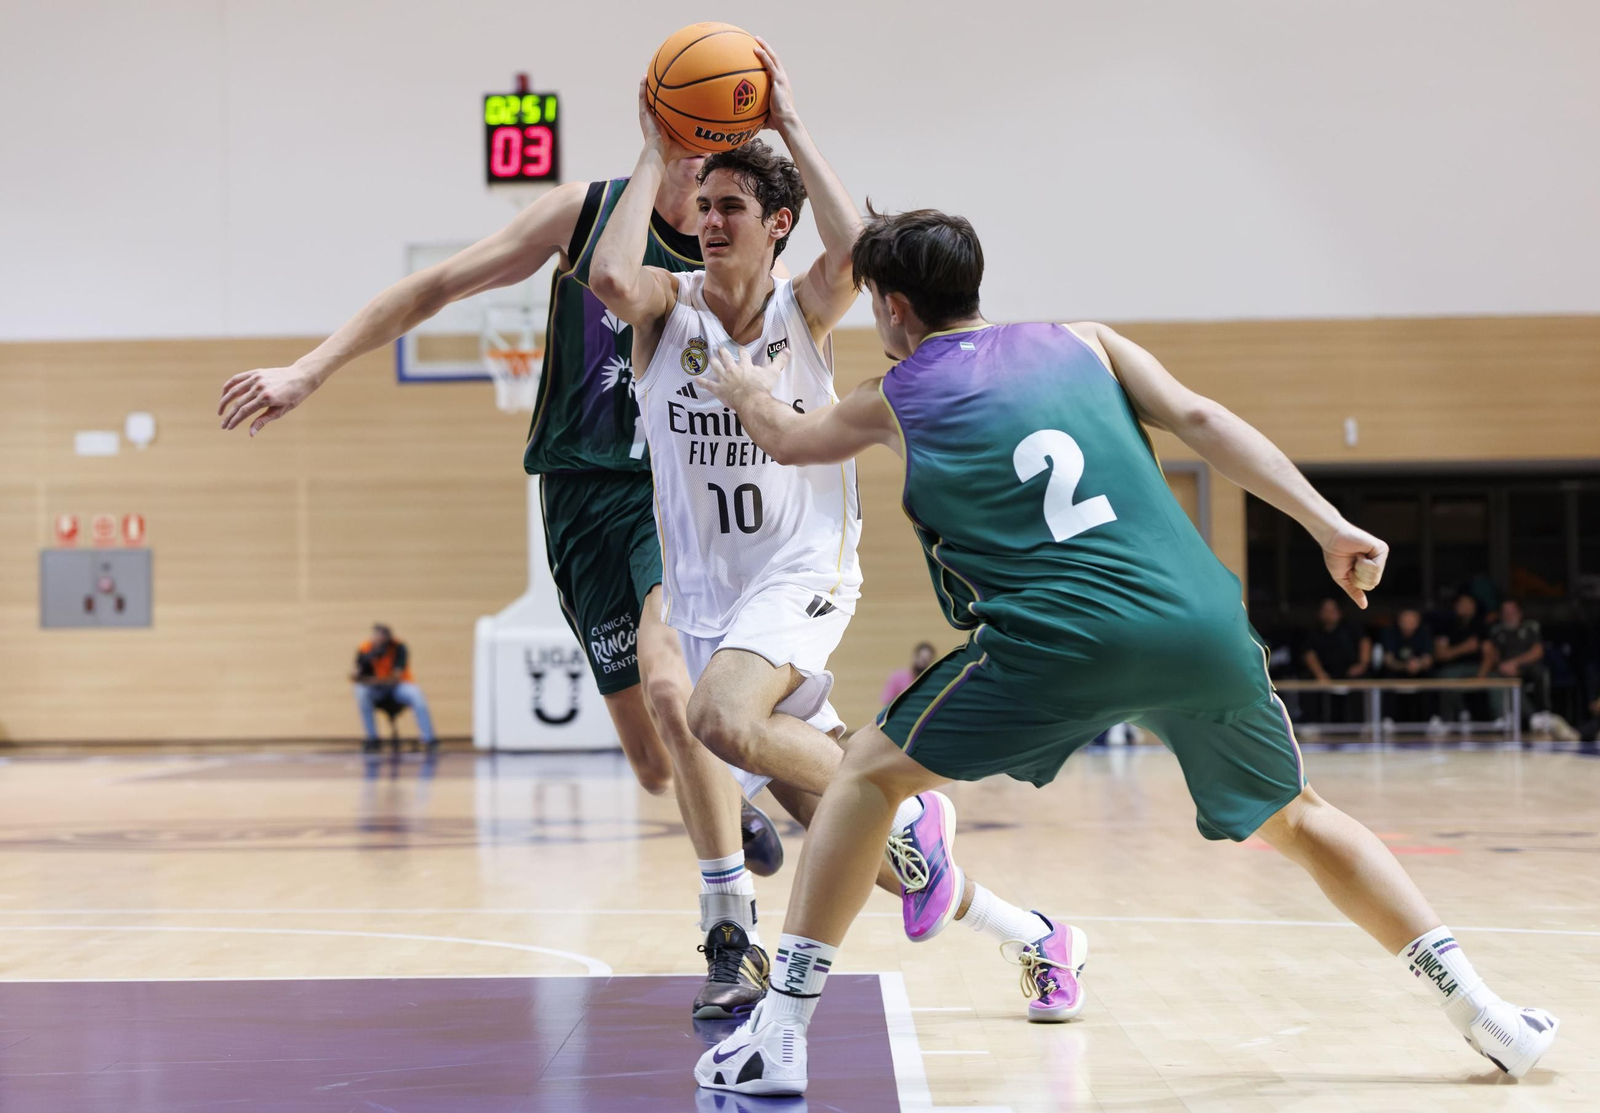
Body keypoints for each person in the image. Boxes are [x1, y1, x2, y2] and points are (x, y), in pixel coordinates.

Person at [690, 207, 1557, 1094]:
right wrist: (1326, 523)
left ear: (894, 306)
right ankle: (1483, 1009)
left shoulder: (896, 395)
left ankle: (782, 1032)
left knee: (868, 778)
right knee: (1300, 814)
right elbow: (1201, 417)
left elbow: (790, 439)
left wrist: (742, 385)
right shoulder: (1087, 341)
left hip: (1060, 642)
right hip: (1198, 626)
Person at [214, 107, 786, 1016]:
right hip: (574, 494)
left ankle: (730, 932)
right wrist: (310, 369)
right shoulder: (588, 211)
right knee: (650, 760)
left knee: (676, 686)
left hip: (670, 492)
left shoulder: (737, 240)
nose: (705, 179)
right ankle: (731, 795)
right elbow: (437, 284)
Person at [590, 44, 1051, 1021]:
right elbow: (607, 277)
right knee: (837, 817)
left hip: (799, 574)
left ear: (779, 227)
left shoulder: (807, 309)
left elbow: (862, 254)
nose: (708, 223)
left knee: (713, 719)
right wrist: (651, 150)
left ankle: (893, 829)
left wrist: (791, 125)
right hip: (716, 594)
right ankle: (1036, 933)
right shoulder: (666, 315)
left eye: (730, 209)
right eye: (701, 206)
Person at [1483, 599, 1578, 739]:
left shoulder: (1530, 628)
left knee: (1540, 672)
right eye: (1505, 612)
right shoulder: (1497, 632)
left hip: (1526, 666)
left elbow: (1538, 651)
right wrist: (1502, 666)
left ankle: (1544, 712)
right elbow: (1494, 655)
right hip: (1504, 671)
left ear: (1519, 613)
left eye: (1512, 612)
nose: (1509, 615)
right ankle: (1536, 718)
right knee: (1503, 679)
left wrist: (1515, 664)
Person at [352, 624, 436, 750]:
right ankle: (372, 739)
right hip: (376, 690)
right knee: (361, 692)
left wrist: (372, 680)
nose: (376, 639)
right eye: (374, 636)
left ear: (387, 638)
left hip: (397, 687)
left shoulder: (398, 647)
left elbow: (395, 677)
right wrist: (360, 672)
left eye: (379, 637)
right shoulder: (365, 649)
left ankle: (429, 740)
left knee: (416, 694)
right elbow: (356, 676)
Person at [1302, 597, 1372, 725]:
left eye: (1332, 610)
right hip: (1326, 673)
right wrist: (1320, 674)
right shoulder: (1315, 631)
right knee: (1307, 682)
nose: (1329, 614)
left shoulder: (1351, 627)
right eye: (1325, 610)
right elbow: (1309, 654)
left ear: (1339, 612)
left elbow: (1365, 642)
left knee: (1362, 681)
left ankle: (1362, 725)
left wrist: (1362, 665)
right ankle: (1312, 723)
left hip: (1351, 672)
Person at [1434, 592, 1488, 724]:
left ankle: (1503, 718)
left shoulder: (1481, 625)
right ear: (1456, 606)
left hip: (1477, 668)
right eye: (1462, 604)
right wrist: (1463, 648)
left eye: (1469, 604)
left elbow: (1489, 653)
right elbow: (1440, 655)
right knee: (1446, 677)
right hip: (1453, 668)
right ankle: (1454, 715)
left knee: (1499, 679)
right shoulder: (1446, 625)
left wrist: (1482, 674)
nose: (1466, 607)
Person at [1378, 606, 1434, 727]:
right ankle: (1387, 720)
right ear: (1399, 621)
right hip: (1397, 671)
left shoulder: (1424, 632)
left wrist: (1418, 664)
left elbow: (1428, 659)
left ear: (1418, 622)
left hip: (1419, 672)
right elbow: (1388, 660)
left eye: (1412, 621)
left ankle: (1431, 720)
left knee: (1431, 679)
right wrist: (1405, 666)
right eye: (1405, 621)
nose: (1408, 624)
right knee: (1387, 678)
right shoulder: (1390, 632)